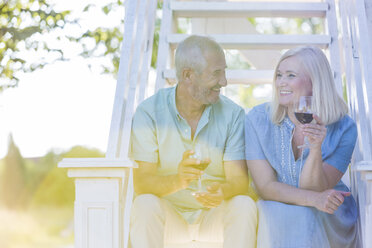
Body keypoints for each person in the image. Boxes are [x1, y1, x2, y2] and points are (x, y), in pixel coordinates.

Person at [129, 35, 257, 248]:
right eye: (216, 73)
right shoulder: (149, 112)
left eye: (224, 72)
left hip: (214, 216)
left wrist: (223, 191)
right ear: (188, 75)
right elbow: (142, 182)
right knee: (144, 204)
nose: (224, 82)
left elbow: (239, 180)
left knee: (244, 205)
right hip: (170, 217)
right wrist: (178, 181)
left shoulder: (233, 114)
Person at [245, 46, 358, 247]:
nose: (281, 82)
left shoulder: (344, 127)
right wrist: (313, 199)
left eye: (290, 75)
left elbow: (316, 188)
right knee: (275, 212)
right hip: (278, 203)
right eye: (279, 75)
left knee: (302, 215)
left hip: (326, 210)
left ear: (315, 82)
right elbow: (265, 187)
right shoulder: (257, 120)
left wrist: (315, 149)